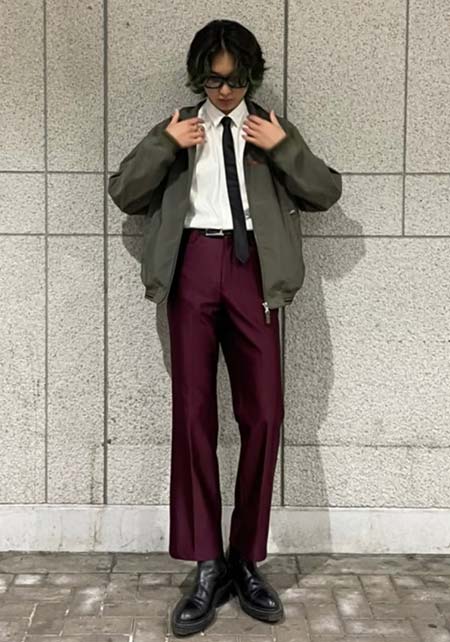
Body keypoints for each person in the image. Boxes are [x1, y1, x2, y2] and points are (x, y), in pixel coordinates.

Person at [108, 18, 342, 638]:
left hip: (252, 273)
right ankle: (207, 563)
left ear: (252, 76)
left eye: (236, 80)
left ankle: (245, 558)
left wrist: (283, 147)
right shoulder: (180, 128)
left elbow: (324, 192)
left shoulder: (269, 129)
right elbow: (124, 193)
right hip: (192, 267)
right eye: (213, 81)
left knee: (263, 414)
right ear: (198, 79)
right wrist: (165, 144)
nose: (225, 91)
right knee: (193, 415)